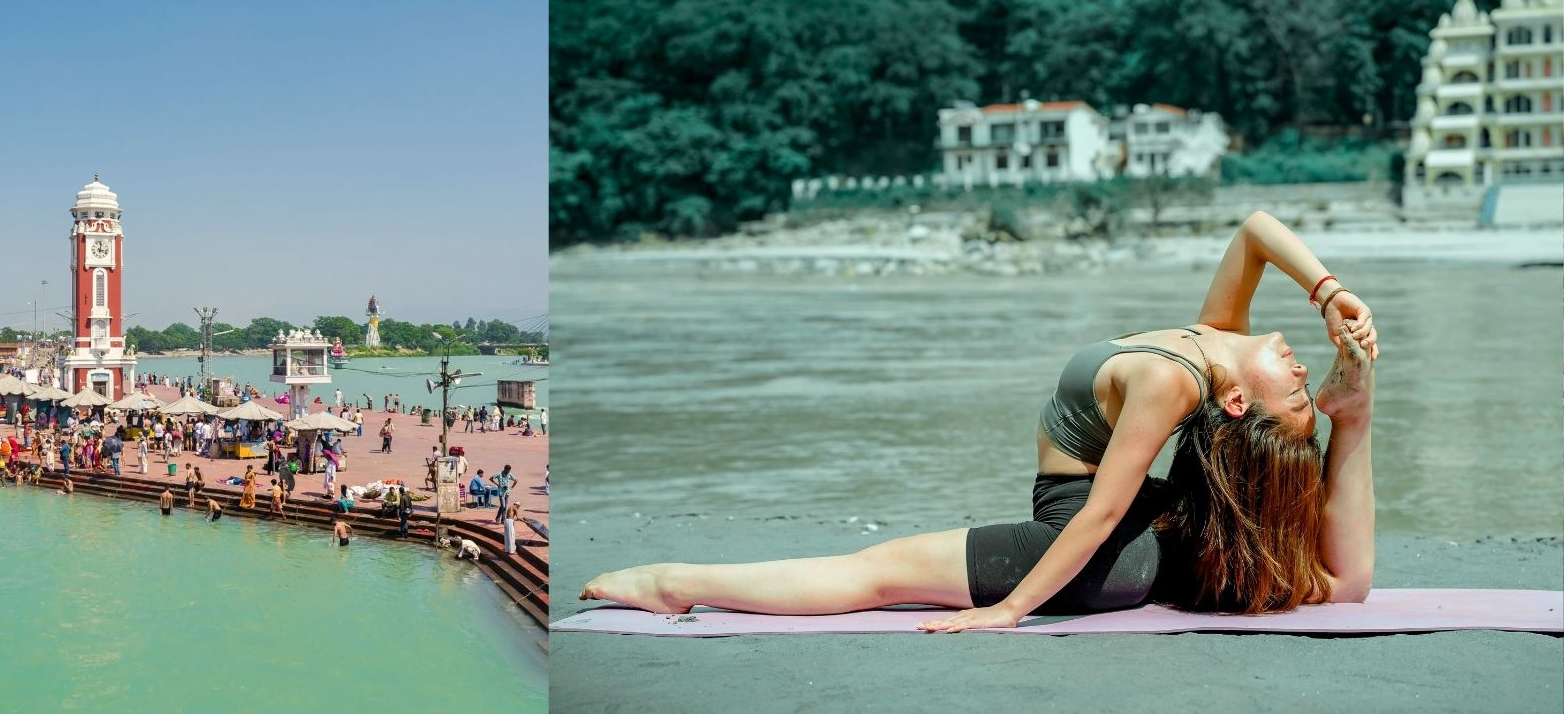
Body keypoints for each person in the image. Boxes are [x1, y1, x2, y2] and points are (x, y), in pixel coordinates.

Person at [580, 211, 1380, 627]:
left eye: (1300, 392)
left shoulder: (1173, 383)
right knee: (1336, 586)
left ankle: (672, 584)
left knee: (877, 573)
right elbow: (1255, 230)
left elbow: (1101, 511)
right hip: (1137, 540)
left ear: (1237, 405)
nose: (1304, 364)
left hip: (1104, 552)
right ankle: (1356, 417)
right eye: (1309, 380)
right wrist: (1328, 293)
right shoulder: (1215, 336)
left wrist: (1008, 609)